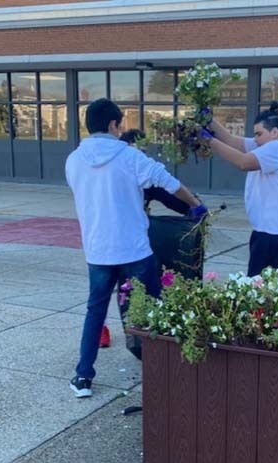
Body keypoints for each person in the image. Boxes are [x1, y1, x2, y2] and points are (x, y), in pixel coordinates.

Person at [65, 98, 206, 398]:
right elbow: (169, 183)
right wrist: (196, 205)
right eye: (120, 124)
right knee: (152, 309)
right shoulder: (130, 157)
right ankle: (163, 369)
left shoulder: (73, 160)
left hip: (98, 251)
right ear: (113, 125)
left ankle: (83, 376)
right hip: (134, 251)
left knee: (95, 311)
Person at [98, 127, 199, 349]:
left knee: (130, 286)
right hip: (105, 238)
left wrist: (193, 206)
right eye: (136, 150)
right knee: (103, 287)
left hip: (131, 241)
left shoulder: (143, 177)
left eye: (143, 151)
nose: (139, 156)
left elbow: (169, 196)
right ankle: (101, 329)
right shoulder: (111, 173)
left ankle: (143, 330)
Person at [199, 101, 278, 277]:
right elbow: (230, 140)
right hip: (268, 231)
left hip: (275, 234)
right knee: (261, 289)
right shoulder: (265, 145)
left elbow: (243, 162)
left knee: (261, 291)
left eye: (259, 134)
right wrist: (208, 119)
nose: (256, 139)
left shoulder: (276, 148)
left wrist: (207, 140)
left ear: (275, 133)